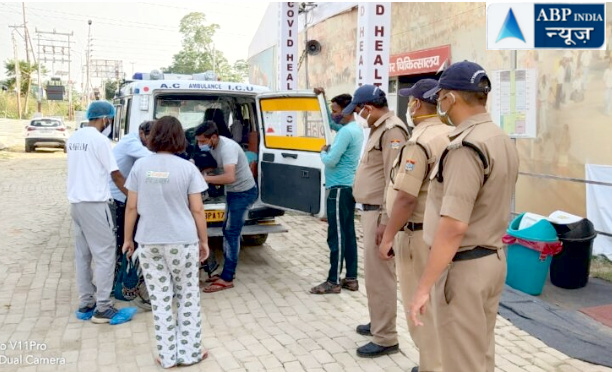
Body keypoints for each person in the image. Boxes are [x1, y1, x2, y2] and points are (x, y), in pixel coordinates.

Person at [409, 61, 519, 372]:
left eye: (441, 94)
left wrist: (422, 288)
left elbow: (454, 226)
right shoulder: (499, 138)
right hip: (492, 260)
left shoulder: (464, 147)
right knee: (479, 355)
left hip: (465, 268)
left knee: (462, 362)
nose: (439, 101)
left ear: (451, 98)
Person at [122, 116, 210, 368]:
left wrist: (128, 239)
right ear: (180, 138)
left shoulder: (140, 167)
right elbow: (197, 210)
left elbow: (131, 206)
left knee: (160, 300)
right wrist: (203, 240)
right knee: (188, 297)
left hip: (149, 242)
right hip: (182, 242)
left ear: (153, 137)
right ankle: (190, 353)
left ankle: (167, 356)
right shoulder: (188, 168)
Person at [378, 79, 451, 372]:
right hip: (442, 234)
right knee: (440, 306)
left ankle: (431, 366)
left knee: (420, 308)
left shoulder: (419, 141)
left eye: (410, 101)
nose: (408, 105)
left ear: (417, 105)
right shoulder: (453, 134)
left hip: (417, 236)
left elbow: (406, 197)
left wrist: (387, 238)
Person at [343, 84, 409, 357]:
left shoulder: (392, 130)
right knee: (372, 275)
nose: (358, 115)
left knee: (380, 276)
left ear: (368, 108)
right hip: (369, 211)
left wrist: (385, 220)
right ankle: (379, 322)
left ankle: (386, 338)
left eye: (359, 110)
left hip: (379, 214)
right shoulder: (378, 128)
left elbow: (395, 180)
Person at [67, 100, 128, 324]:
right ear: (104, 119)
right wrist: (133, 196)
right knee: (105, 254)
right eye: (109, 119)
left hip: (76, 204)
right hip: (94, 203)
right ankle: (103, 307)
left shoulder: (73, 138)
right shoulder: (101, 141)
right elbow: (116, 174)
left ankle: (86, 303)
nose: (109, 123)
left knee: (83, 255)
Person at [309, 89, 364, 294]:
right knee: (348, 234)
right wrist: (322, 100)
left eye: (335, 110)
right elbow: (330, 123)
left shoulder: (346, 133)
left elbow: (331, 160)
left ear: (346, 111)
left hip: (338, 189)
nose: (332, 114)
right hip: (347, 187)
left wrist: (323, 153)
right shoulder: (354, 129)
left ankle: (333, 281)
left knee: (337, 236)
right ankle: (351, 277)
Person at [195, 121, 258, 293]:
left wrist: (204, 179)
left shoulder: (228, 148)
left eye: (203, 141)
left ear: (214, 137)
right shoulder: (214, 147)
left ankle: (227, 278)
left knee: (231, 233)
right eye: (199, 141)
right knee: (227, 230)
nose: (201, 145)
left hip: (244, 193)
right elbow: (217, 167)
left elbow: (229, 176)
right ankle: (226, 272)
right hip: (233, 193)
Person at [110, 120, 153, 305]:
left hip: (126, 194)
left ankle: (127, 279)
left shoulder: (138, 141)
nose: (152, 142)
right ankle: (118, 282)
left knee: (128, 239)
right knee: (121, 241)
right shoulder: (131, 142)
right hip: (117, 195)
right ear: (142, 132)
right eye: (150, 138)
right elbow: (150, 157)